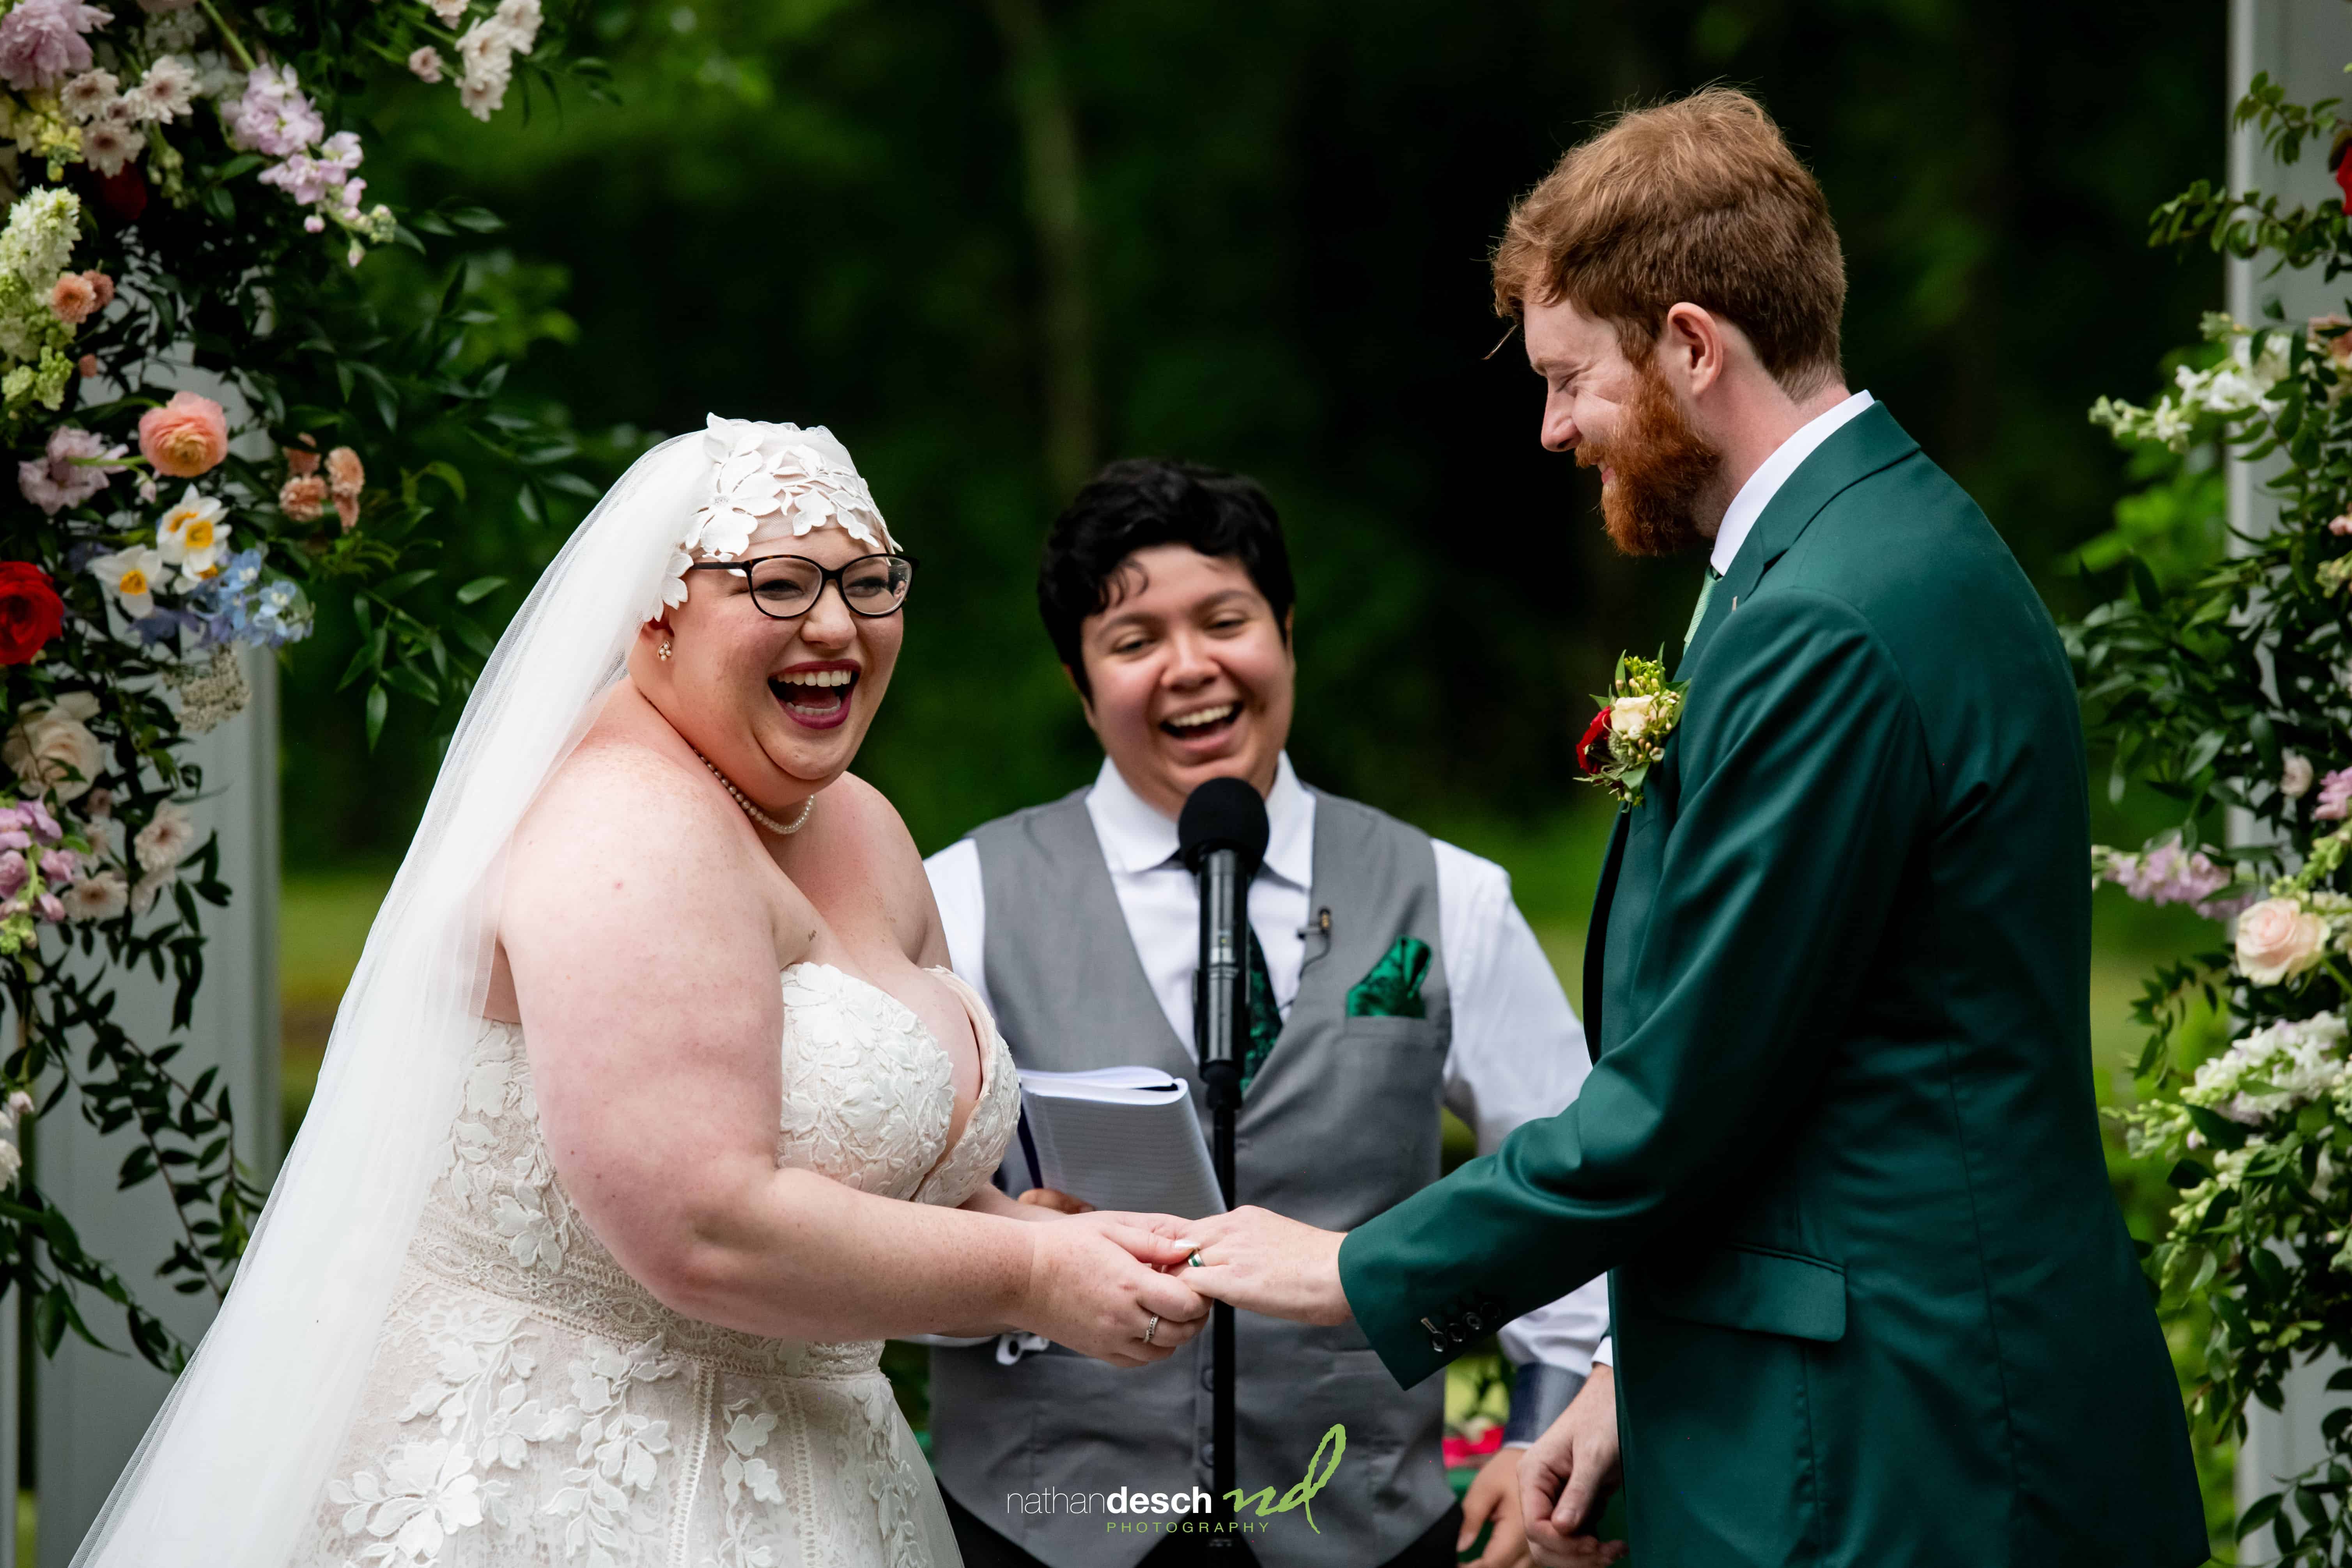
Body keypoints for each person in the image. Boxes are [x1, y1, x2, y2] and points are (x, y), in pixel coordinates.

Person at [1163, 88, 2209, 1568]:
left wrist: (1355, 1270)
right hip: (1865, 1377)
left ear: (1692, 345)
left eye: (1569, 379)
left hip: (1897, 1440)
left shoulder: (1829, 619)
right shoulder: (1862, 547)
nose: (1551, 429)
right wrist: (1625, 1378)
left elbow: (1687, 1094)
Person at [72, 418, 1207, 1568]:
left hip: (826, 1471)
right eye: (778, 584)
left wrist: (1054, 1243)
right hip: (574, 1484)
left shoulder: (862, 825)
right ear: (656, 613)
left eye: (868, 582)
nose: (835, 624)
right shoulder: (626, 824)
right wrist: (1031, 1279)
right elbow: (704, 1225)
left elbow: (880, 1184)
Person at [919, 459, 1613, 1568]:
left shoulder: (1451, 896)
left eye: (1225, 620)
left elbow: (1575, 1179)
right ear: (1080, 684)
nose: (1191, 666)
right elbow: (874, 1224)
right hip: (1041, 1531)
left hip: (1364, 1526)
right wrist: (1018, 1268)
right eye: (1134, 640)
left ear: (1286, 634)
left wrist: (1540, 1425)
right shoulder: (960, 899)